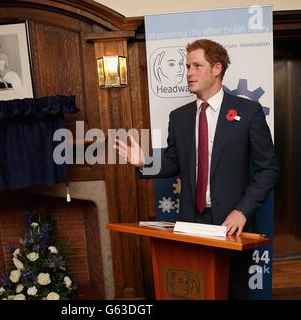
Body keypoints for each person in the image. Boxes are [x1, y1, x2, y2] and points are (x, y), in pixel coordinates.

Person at [115, 39, 279, 299]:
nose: (189, 72)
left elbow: (268, 169)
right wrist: (143, 163)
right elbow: (173, 162)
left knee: (232, 291)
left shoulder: (247, 112)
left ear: (217, 68)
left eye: (196, 66)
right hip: (191, 221)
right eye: (187, 66)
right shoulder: (179, 117)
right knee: (193, 288)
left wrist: (242, 211)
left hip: (231, 223)